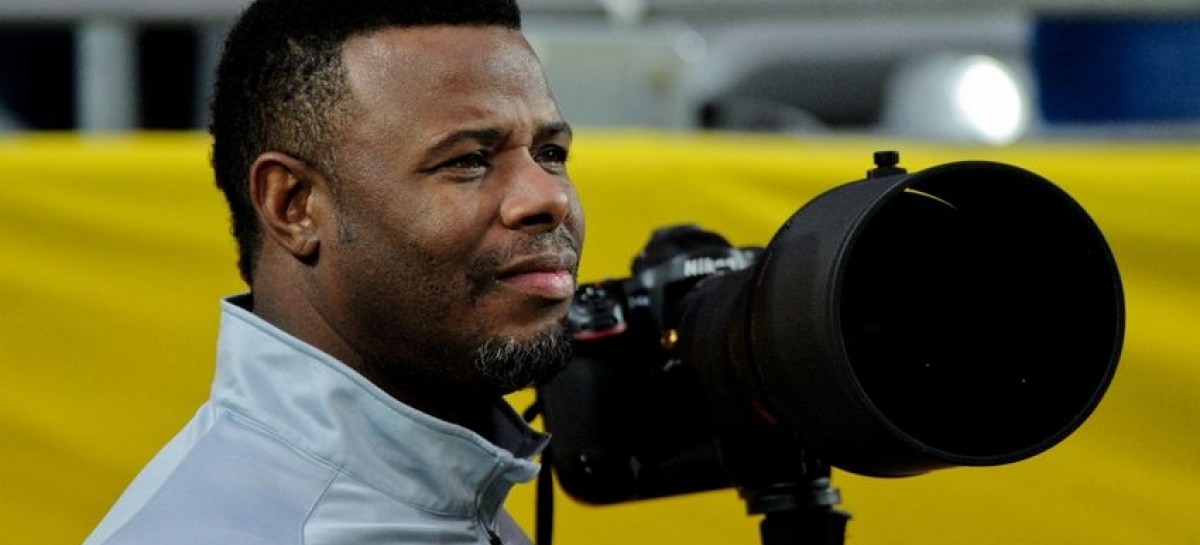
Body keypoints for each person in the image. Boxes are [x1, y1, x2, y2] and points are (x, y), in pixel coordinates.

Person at [83, 0, 583, 543]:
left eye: (550, 153)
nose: (549, 197)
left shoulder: (444, 496)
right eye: (468, 160)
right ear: (292, 205)